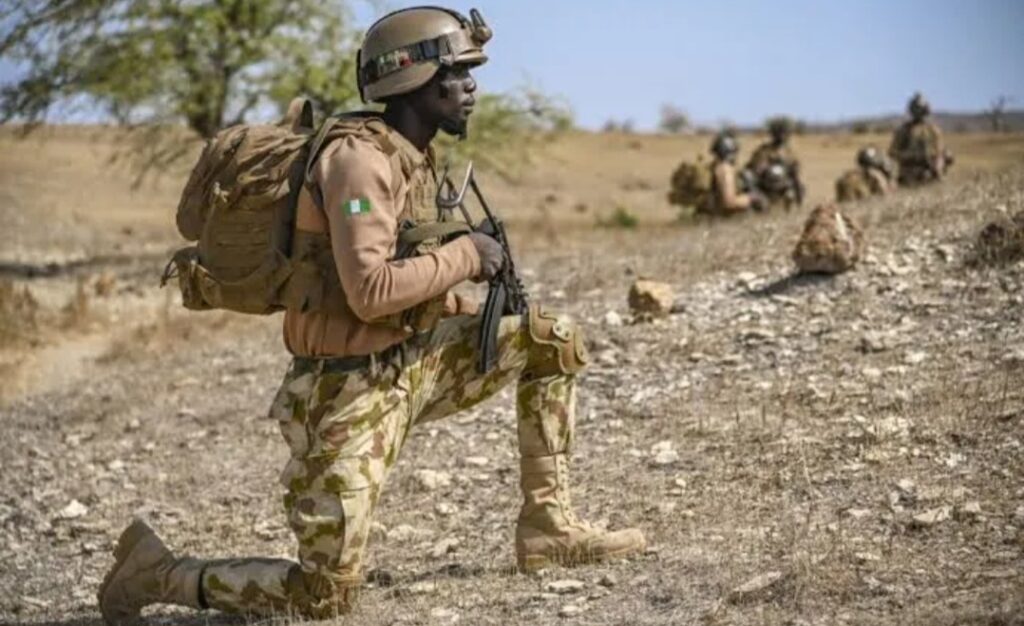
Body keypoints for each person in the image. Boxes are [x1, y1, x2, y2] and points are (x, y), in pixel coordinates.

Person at [97, 7, 645, 624]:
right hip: (344, 391)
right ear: (415, 79)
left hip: (409, 362)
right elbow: (370, 291)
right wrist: (468, 255)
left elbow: (402, 275)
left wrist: (462, 303)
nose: (471, 87)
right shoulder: (357, 162)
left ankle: (549, 529)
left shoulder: (411, 153)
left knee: (550, 339)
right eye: (458, 73)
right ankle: (161, 572)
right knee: (323, 595)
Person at [888, 93, 951, 186]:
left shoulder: (933, 130)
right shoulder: (904, 130)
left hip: (930, 167)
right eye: (917, 109)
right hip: (909, 168)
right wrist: (911, 156)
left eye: (920, 109)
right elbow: (893, 153)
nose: (919, 112)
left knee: (947, 155)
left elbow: (939, 151)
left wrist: (937, 164)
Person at [745, 117, 804, 210]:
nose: (783, 135)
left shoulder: (789, 152)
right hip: (765, 188)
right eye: (780, 132)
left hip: (783, 188)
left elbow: (795, 174)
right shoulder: (764, 151)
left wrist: (798, 193)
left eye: (785, 132)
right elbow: (753, 174)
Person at [701, 132, 766, 216]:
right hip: (718, 218)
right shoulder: (725, 169)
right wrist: (751, 198)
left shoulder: (714, 166)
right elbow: (729, 203)